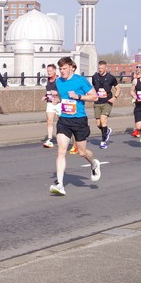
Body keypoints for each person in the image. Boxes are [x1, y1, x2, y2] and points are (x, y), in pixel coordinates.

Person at [48, 57, 102, 196]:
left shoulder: (80, 80)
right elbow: (63, 97)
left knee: (82, 152)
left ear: (71, 67)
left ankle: (93, 163)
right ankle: (60, 184)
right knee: (61, 151)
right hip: (64, 120)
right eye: (60, 69)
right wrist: (57, 100)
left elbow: (94, 97)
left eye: (64, 68)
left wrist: (78, 96)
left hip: (79, 120)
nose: (62, 71)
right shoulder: (58, 81)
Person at [90, 60, 121, 149]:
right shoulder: (94, 77)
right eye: (99, 68)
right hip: (97, 102)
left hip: (107, 102)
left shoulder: (111, 78)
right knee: (98, 124)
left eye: (102, 68)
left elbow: (118, 89)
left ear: (106, 68)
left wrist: (114, 98)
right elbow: (92, 88)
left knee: (103, 120)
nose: (100, 70)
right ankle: (106, 131)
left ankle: (103, 142)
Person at [41, 63, 60, 148]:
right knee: (49, 120)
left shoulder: (59, 80)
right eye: (48, 71)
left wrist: (57, 93)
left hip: (59, 103)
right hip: (50, 103)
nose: (49, 72)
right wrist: (45, 96)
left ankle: (61, 137)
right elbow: (48, 91)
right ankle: (49, 139)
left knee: (61, 121)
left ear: (55, 71)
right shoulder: (48, 80)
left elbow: (64, 91)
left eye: (50, 71)